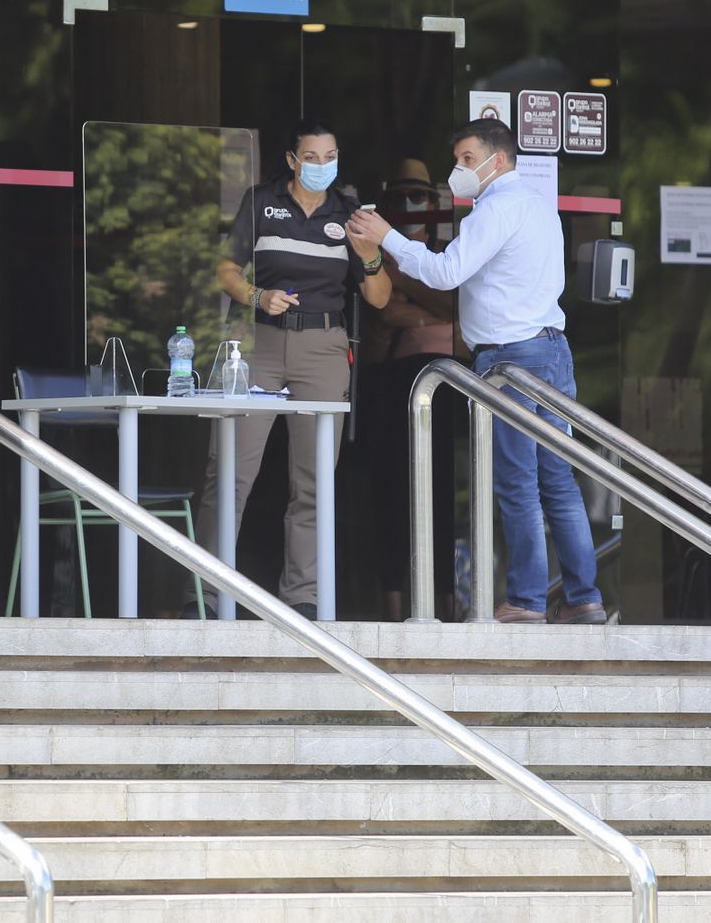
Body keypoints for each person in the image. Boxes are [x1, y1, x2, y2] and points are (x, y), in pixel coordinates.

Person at [348, 119, 605, 624]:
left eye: (468, 159)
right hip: (552, 350)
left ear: (498, 160)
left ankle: (528, 600)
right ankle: (584, 597)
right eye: (459, 159)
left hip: (511, 359)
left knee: (516, 481)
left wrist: (388, 238)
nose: (459, 170)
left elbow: (445, 272)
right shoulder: (538, 207)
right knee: (558, 479)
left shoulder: (495, 208)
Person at [185, 118, 391, 620]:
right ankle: (210, 595)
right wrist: (259, 295)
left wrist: (367, 257)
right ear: (292, 161)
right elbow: (225, 269)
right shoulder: (261, 201)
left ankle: (303, 594)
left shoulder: (350, 213)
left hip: (323, 345)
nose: (323, 165)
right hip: (255, 341)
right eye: (313, 157)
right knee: (230, 471)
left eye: (331, 156)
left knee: (315, 479)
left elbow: (380, 297)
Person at [360, 160, 457, 620]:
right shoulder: (376, 249)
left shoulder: (448, 250)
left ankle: (448, 600)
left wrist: (407, 287)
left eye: (417, 195)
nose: (409, 204)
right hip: (392, 382)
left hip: (447, 383)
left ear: (435, 202)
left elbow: (454, 305)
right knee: (393, 494)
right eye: (399, 197)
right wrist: (427, 303)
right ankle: (393, 608)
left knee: (444, 493)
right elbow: (383, 313)